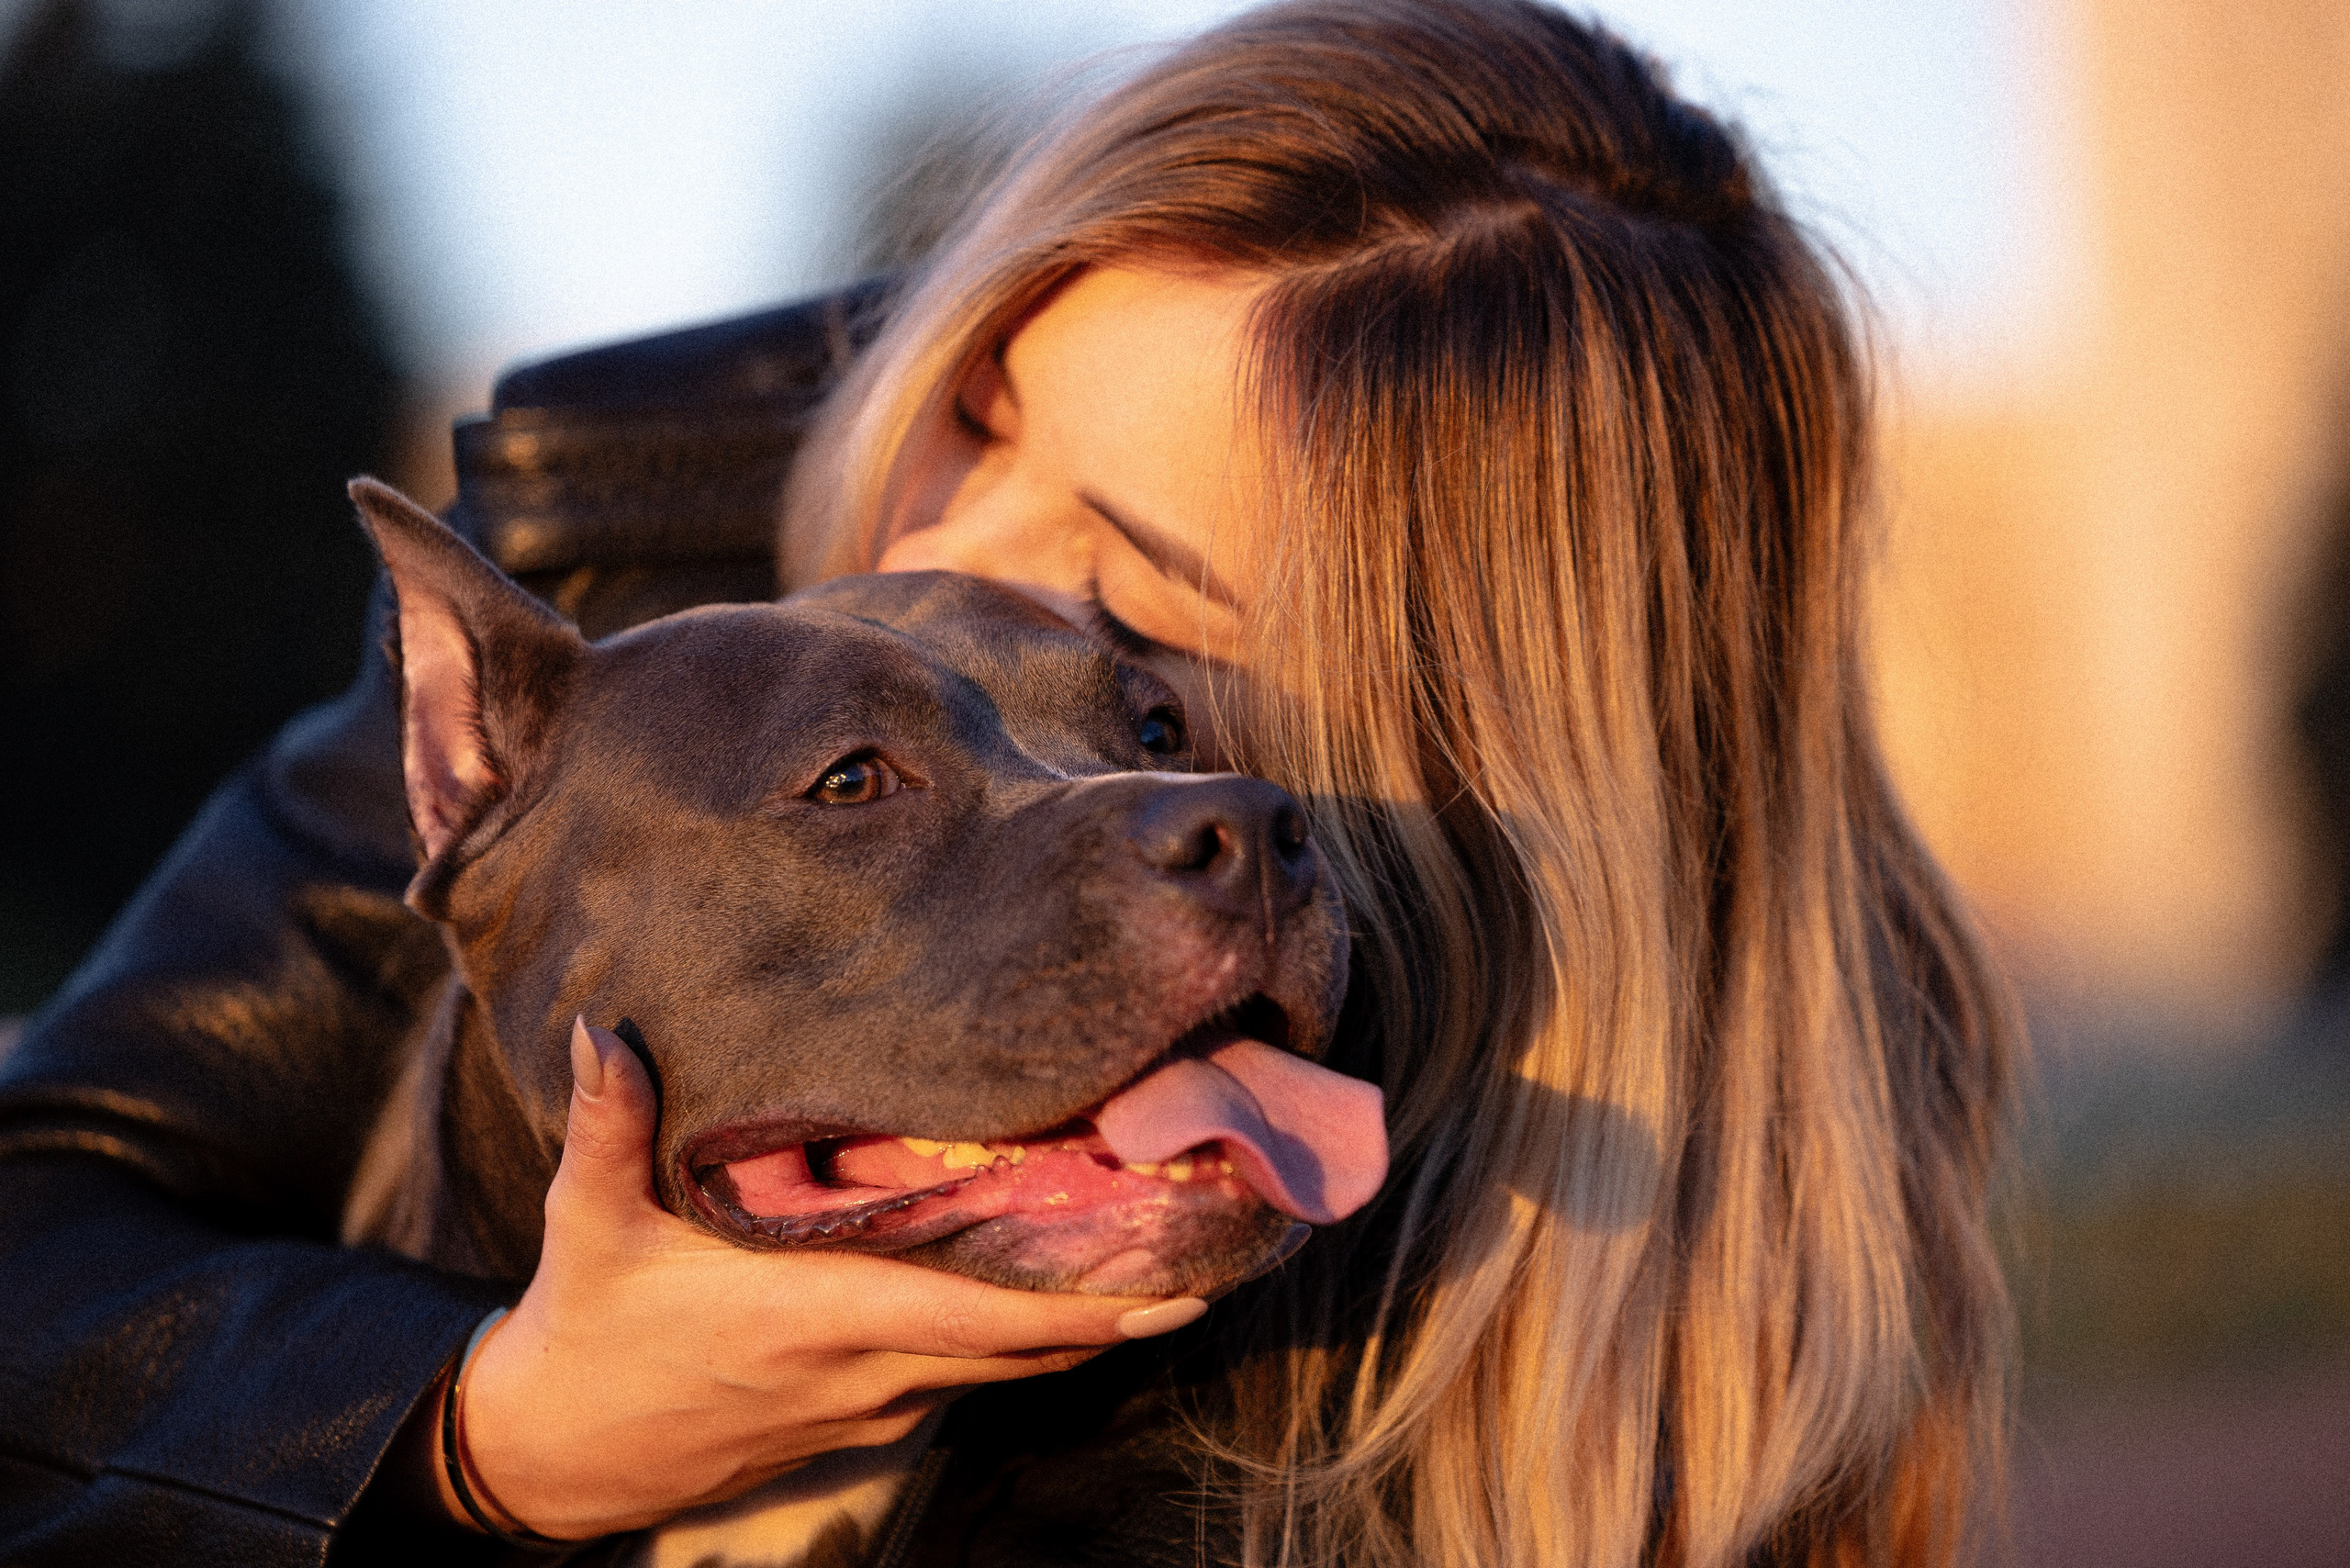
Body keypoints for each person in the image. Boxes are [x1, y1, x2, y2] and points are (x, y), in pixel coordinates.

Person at [0, 2, 2020, 1564]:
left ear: (1443, 734)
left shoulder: (1624, 1255)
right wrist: (483, 1432)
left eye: (1126, 613)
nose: (944, 550)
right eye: (972, 394)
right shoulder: (614, 635)